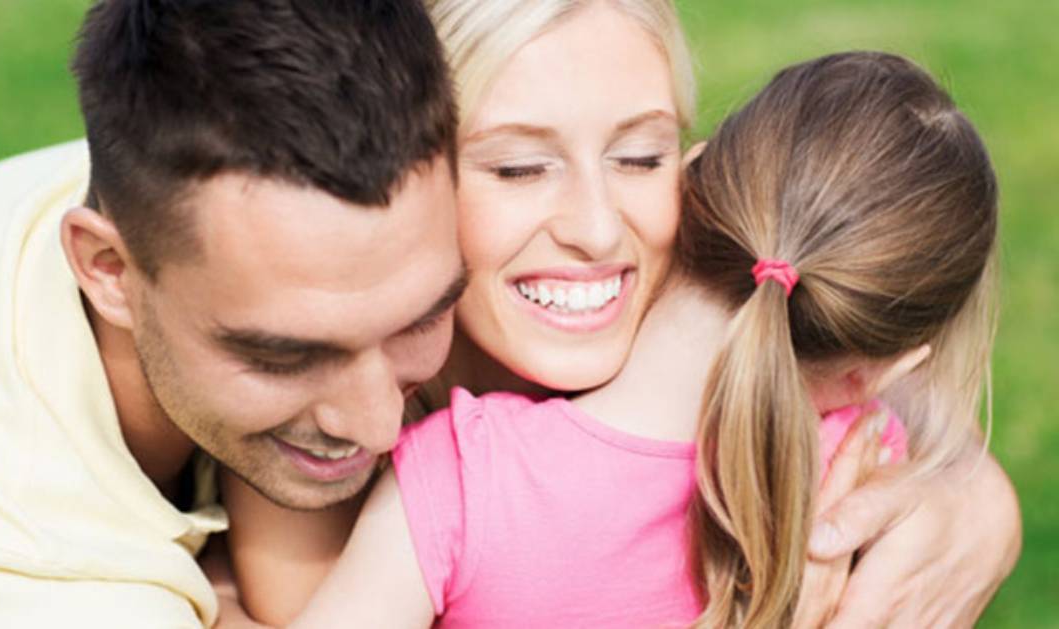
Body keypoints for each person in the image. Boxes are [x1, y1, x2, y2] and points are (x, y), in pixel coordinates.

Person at [219, 1, 1020, 627]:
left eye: (641, 156)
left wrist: (983, 502)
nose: (598, 227)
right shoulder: (312, 399)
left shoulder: (461, 484)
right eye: (518, 166)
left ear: (702, 170)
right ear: (393, 178)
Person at [0, 1, 463, 627]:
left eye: (421, 320)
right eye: (285, 358)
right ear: (109, 271)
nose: (381, 425)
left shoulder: (198, 168)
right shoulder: (16, 572)